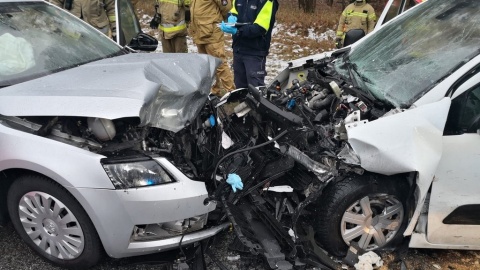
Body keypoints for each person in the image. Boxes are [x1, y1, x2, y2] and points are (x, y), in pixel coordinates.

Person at [220, 0, 279, 88]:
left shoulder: (267, 1)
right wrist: (231, 18)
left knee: (255, 89)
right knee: (240, 88)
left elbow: (260, 28)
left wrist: (238, 31)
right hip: (238, 49)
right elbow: (233, 11)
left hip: (255, 52)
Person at [189, 0, 235, 96]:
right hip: (199, 33)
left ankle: (231, 91)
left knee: (219, 64)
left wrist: (217, 21)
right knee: (207, 65)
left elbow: (226, 7)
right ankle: (214, 91)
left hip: (212, 34)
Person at [50, 0, 116, 38]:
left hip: (98, 37)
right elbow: (55, 3)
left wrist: (115, 31)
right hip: (70, 36)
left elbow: (112, 10)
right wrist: (56, 24)